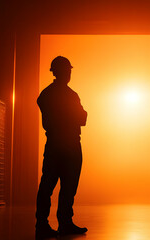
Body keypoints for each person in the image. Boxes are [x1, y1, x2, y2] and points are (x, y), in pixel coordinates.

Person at [35, 56, 88, 239]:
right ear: (59, 72)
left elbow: (80, 118)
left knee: (56, 185)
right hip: (68, 144)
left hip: (58, 144)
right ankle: (60, 223)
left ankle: (48, 223)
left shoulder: (46, 95)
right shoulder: (70, 95)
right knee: (62, 185)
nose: (69, 74)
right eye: (67, 70)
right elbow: (82, 117)